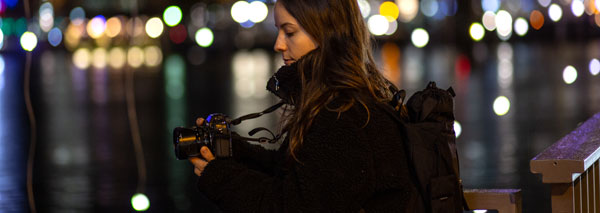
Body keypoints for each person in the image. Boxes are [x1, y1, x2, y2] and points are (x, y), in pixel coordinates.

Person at [189, 0, 421, 211]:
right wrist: (232, 149)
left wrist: (220, 178)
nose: (278, 44)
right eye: (279, 30)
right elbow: (296, 172)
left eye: (289, 32)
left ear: (326, 33)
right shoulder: (345, 99)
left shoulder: (343, 116)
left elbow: (294, 205)